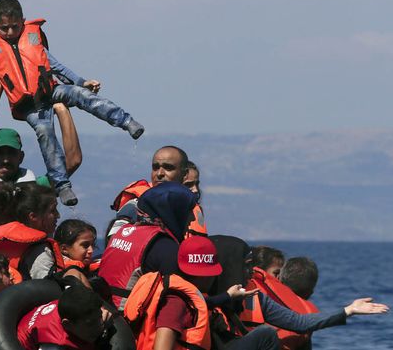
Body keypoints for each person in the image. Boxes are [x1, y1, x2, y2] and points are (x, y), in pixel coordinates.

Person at [0, 0, 144, 206]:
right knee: (45, 132)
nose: (9, 33)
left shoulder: (32, 38)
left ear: (23, 21)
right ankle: (62, 186)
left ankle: (126, 121)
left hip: (49, 90)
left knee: (83, 95)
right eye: (3, 28)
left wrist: (81, 82)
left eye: (14, 27)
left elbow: (56, 66)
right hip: (28, 106)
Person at [210, 235, 390, 350]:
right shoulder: (202, 295)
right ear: (230, 266)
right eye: (245, 266)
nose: (250, 271)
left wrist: (348, 311)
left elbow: (299, 322)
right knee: (266, 334)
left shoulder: (253, 296)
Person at [0, 61, 82, 205]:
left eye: (11, 153)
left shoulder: (34, 189)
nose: (5, 160)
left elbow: (72, 161)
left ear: (21, 157)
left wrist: (62, 110)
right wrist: (0, 85)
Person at [98, 182, 197, 310]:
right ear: (172, 211)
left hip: (102, 309)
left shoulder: (123, 231)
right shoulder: (164, 247)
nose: (192, 219)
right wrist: (226, 297)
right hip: (126, 321)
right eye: (187, 211)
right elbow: (179, 299)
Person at [108, 147, 206, 239]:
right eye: (155, 168)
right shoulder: (135, 206)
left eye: (168, 168)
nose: (159, 174)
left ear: (184, 174)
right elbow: (114, 242)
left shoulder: (191, 209)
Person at [0, 183, 65, 282]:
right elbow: (48, 288)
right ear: (33, 216)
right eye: (53, 211)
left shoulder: (2, 244)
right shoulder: (40, 252)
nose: (58, 215)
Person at [17, 285, 108, 350]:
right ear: (67, 324)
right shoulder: (55, 345)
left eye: (99, 317)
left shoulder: (73, 305)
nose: (99, 326)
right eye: (90, 324)